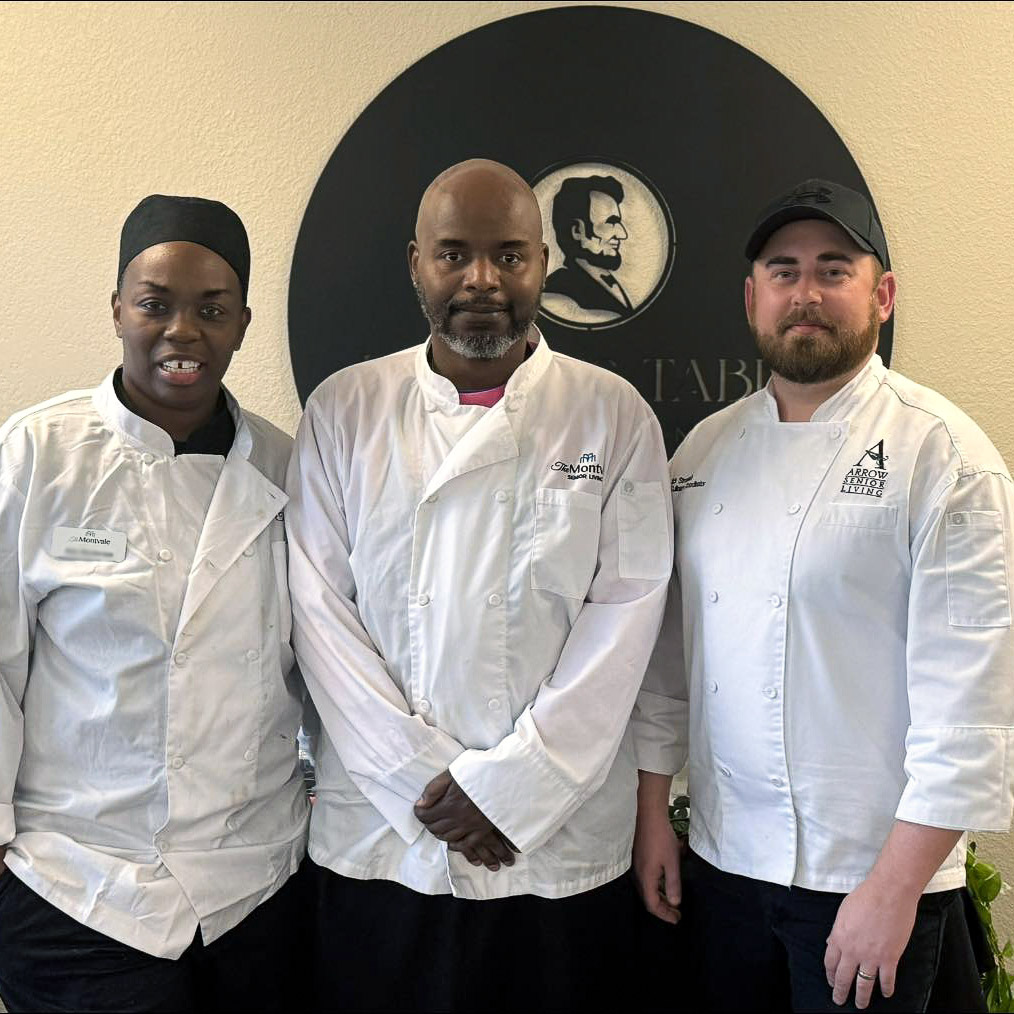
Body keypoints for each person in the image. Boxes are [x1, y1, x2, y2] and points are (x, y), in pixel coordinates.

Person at [285, 158, 673, 1012]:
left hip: (553, 844)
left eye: (509, 254)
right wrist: (427, 786)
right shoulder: (345, 410)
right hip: (387, 838)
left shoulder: (613, 415)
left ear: (543, 264)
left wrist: (512, 789)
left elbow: (627, 620)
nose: (482, 280)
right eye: (454, 254)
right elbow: (319, 614)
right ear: (416, 262)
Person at [633, 178, 1013, 1011]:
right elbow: (669, 660)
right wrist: (654, 811)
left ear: (881, 295)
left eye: (833, 270)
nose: (805, 292)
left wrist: (893, 890)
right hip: (726, 869)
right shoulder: (704, 448)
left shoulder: (943, 456)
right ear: (751, 298)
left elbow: (972, 708)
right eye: (784, 270)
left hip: (872, 881)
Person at [0, 195, 312, 1013]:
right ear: (116, 310)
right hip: (81, 888)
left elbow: (322, 664)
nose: (182, 332)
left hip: (255, 889)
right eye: (155, 305)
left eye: (211, 310)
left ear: (242, 323)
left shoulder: (290, 470)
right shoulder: (39, 453)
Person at [544, 174, 633, 319]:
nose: (623, 234)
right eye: (611, 223)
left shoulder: (608, 281)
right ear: (578, 231)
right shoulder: (558, 295)